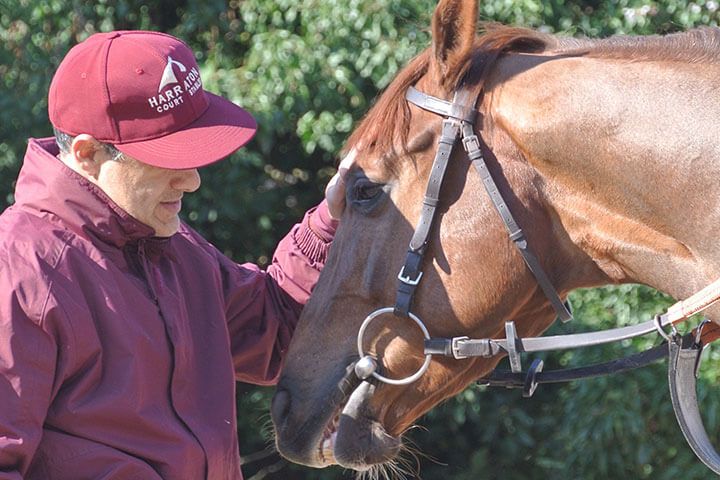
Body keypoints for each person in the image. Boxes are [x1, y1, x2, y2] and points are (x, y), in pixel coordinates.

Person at [0, 30, 346, 479]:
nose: (193, 181)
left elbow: (274, 331)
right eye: (168, 158)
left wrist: (330, 220)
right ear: (87, 153)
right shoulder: (21, 271)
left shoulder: (172, 248)